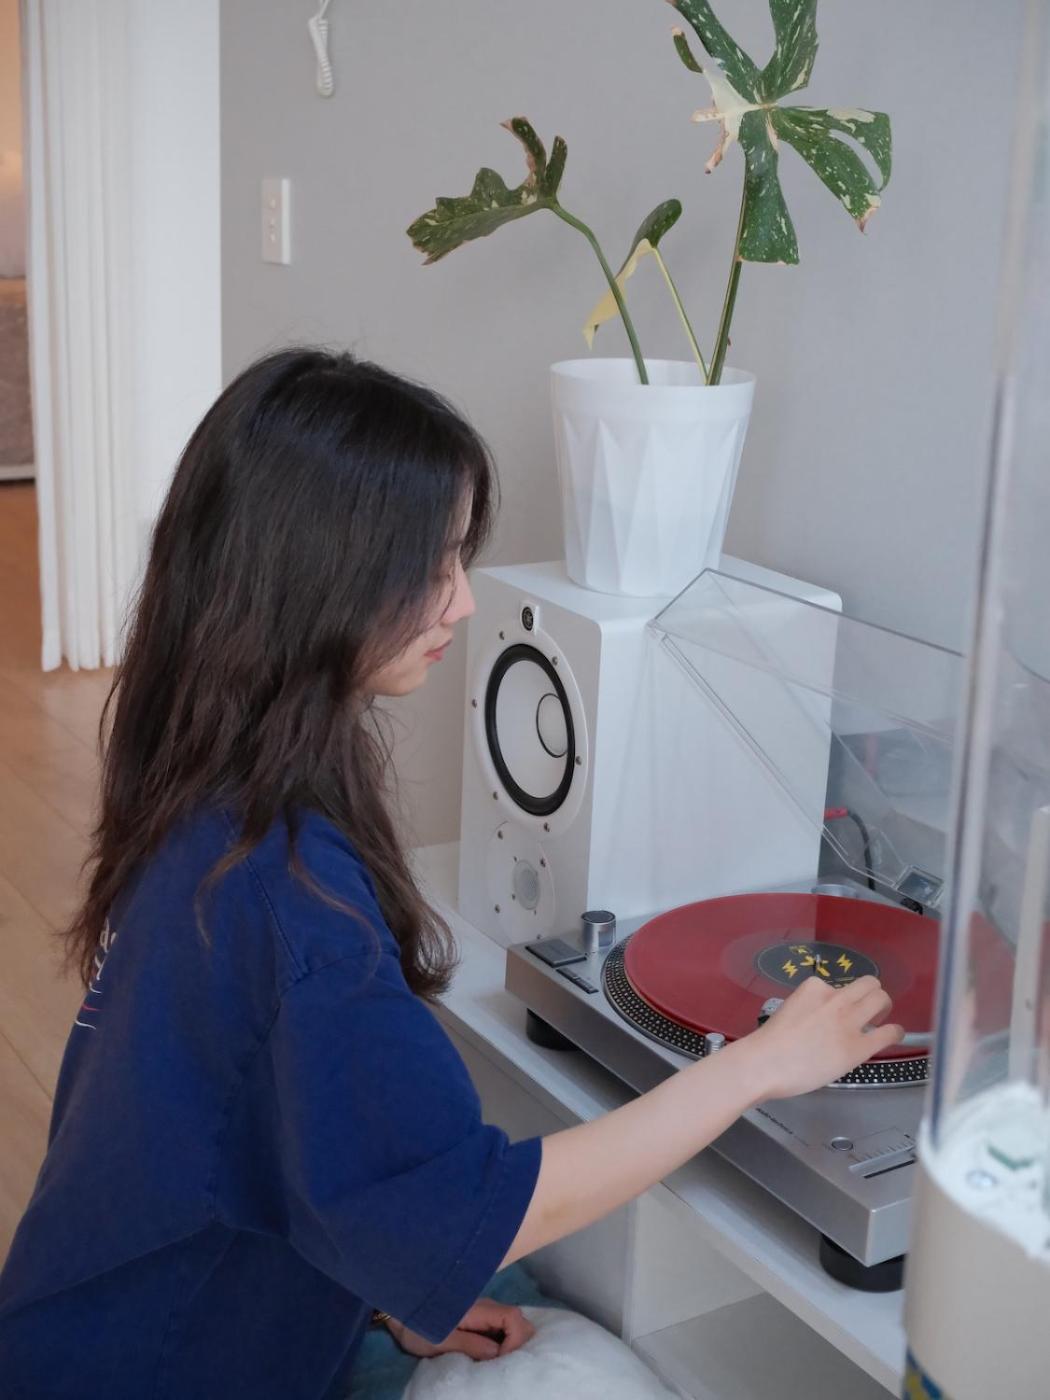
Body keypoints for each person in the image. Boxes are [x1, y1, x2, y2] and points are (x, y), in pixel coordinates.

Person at [0, 349, 904, 1399]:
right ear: (318, 576)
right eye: (432, 564)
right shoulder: (292, 903)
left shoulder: (205, 794)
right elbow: (487, 1204)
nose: (465, 602)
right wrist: (754, 1067)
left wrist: (385, 1288)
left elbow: (237, 1121)